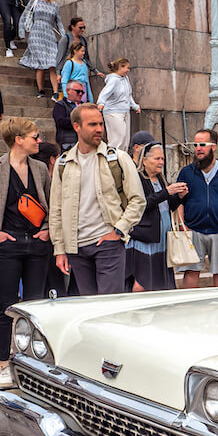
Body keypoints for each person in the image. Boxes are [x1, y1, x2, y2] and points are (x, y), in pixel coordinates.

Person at [0, 118, 52, 386]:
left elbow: (52, 203)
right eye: (34, 136)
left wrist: (48, 229)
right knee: (7, 306)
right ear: (18, 139)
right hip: (6, 245)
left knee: (35, 306)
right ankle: (3, 364)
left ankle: (34, 363)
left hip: (37, 244)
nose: (38, 141)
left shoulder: (39, 168)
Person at [48, 103, 145, 295]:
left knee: (109, 307)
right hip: (76, 247)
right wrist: (59, 249)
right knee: (89, 308)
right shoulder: (63, 163)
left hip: (108, 242)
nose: (99, 129)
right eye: (93, 124)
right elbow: (56, 209)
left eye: (101, 124)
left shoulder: (118, 158)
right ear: (77, 127)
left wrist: (119, 230)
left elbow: (138, 200)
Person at [167, 128, 218, 288]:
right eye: (195, 145)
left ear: (213, 146)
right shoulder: (187, 173)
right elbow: (180, 201)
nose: (198, 148)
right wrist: (182, 226)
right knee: (191, 272)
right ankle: (189, 309)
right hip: (193, 231)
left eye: (202, 144)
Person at [124, 141, 177, 293]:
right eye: (157, 159)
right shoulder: (138, 178)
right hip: (144, 239)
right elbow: (142, 205)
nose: (161, 162)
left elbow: (167, 206)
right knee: (141, 283)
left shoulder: (161, 179)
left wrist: (180, 196)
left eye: (162, 159)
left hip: (160, 240)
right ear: (145, 160)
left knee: (158, 282)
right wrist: (166, 192)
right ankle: (135, 313)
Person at [19, 0, 65, 98]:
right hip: (36, 33)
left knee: (52, 64)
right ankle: (41, 91)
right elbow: (24, 16)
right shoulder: (35, 1)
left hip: (49, 34)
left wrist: (65, 37)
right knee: (40, 65)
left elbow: (59, 23)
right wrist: (21, 32)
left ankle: (55, 92)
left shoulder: (55, 5)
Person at [95, 58, 139, 151]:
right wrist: (101, 102)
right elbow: (105, 92)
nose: (128, 70)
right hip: (113, 112)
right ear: (120, 67)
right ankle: (113, 158)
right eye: (127, 68)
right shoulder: (113, 80)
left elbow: (128, 95)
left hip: (125, 111)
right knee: (118, 137)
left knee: (125, 139)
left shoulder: (125, 79)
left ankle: (122, 159)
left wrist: (135, 106)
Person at [53, 81, 86, 151]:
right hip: (68, 143)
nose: (80, 94)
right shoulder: (60, 105)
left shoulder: (85, 106)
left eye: (82, 92)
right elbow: (61, 122)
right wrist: (81, 120)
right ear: (68, 90)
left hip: (84, 142)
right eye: (78, 91)